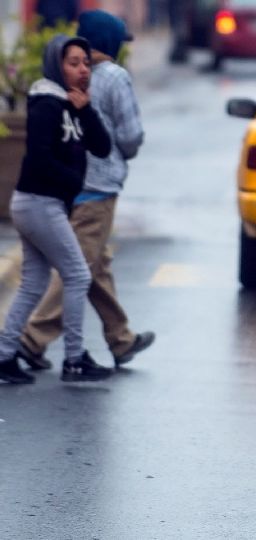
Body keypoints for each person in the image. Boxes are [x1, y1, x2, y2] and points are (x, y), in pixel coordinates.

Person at [16, 10, 154, 373]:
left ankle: (120, 339)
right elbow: (129, 135)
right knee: (79, 269)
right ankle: (31, 340)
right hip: (99, 187)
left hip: (71, 184)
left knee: (96, 264)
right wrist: (127, 149)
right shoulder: (115, 77)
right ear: (111, 44)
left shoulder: (68, 76)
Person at [0, 35, 112, 385]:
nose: (82, 70)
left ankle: (4, 355)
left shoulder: (71, 104)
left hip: (40, 204)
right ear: (56, 65)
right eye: (73, 63)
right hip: (39, 203)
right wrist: (72, 184)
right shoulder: (46, 104)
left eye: (85, 64)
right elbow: (40, 158)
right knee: (78, 275)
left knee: (33, 282)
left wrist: (86, 110)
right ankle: (75, 359)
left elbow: (103, 147)